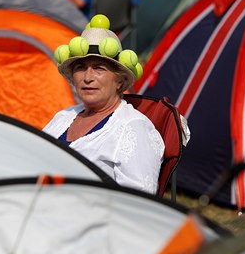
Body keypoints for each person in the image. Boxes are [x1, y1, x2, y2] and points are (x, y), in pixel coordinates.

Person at [43, 19, 164, 194]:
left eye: (99, 68)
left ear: (120, 82)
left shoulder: (133, 129)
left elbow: (138, 202)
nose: (87, 77)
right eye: (80, 68)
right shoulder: (64, 116)